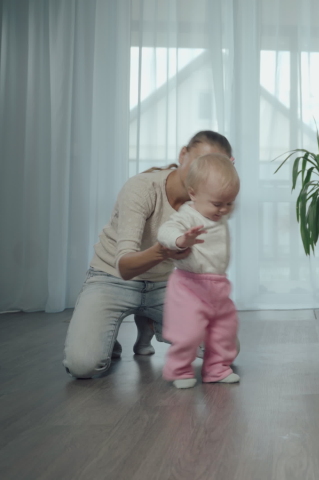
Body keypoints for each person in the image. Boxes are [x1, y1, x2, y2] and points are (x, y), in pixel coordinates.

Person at [63, 131, 234, 379]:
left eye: (215, 169)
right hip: (112, 279)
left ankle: (152, 322)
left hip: (165, 285)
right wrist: (162, 251)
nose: (205, 176)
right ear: (183, 154)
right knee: (83, 365)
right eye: (199, 164)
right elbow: (124, 268)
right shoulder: (142, 188)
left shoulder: (210, 202)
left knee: (225, 350)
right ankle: (108, 331)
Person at [158, 153, 240, 388]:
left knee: (224, 331)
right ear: (193, 194)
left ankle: (217, 369)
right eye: (217, 204)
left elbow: (221, 191)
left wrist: (226, 171)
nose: (223, 210)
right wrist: (181, 240)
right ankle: (179, 369)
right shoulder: (188, 215)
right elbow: (166, 231)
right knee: (188, 333)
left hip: (218, 285)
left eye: (229, 203)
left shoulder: (216, 210)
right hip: (189, 285)